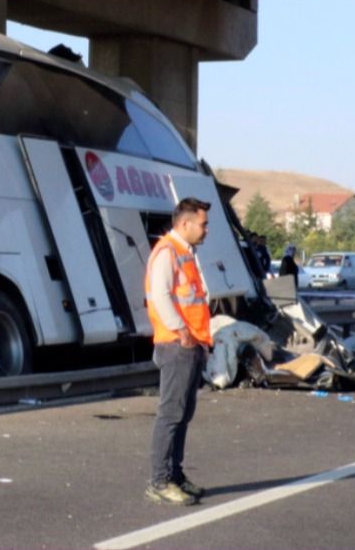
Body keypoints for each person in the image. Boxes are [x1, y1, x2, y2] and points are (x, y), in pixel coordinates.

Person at [143, 197, 213, 506]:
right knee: (171, 413)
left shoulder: (185, 252)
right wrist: (182, 331)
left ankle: (175, 475)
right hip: (176, 344)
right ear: (185, 224)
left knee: (182, 414)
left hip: (191, 344)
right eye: (203, 223)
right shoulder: (168, 252)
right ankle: (160, 481)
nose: (206, 229)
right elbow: (160, 295)